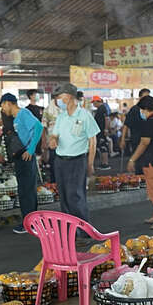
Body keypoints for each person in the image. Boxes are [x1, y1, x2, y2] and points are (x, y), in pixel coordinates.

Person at [49, 82, 97, 224]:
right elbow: (55, 135)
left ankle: (83, 232)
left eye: (60, 96)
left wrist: (90, 163)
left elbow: (92, 141)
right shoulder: (61, 116)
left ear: (68, 96)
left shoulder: (85, 115)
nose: (58, 100)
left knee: (75, 196)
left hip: (77, 161)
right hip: (60, 161)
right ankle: (70, 230)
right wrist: (53, 140)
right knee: (64, 196)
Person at [0, 93, 42, 235]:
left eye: (2, 105)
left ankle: (30, 224)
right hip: (21, 157)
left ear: (8, 103)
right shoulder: (15, 118)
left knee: (27, 191)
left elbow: (39, 127)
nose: (2, 109)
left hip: (26, 157)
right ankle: (29, 222)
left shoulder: (23, 114)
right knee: (25, 190)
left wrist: (31, 149)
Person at [126, 96, 153, 228]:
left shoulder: (150, 122)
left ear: (145, 109)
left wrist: (132, 159)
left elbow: (144, 142)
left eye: (141, 110)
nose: (141, 113)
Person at [120, 88, 150, 170]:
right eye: (145, 97)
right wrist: (122, 139)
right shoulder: (134, 109)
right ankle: (140, 181)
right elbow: (126, 125)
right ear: (140, 98)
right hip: (137, 141)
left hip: (149, 142)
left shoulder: (151, 110)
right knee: (139, 164)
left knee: (148, 165)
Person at [91, 96, 111, 171]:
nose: (93, 104)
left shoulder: (102, 108)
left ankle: (105, 164)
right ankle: (103, 163)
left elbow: (107, 119)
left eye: (94, 102)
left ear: (97, 101)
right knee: (102, 146)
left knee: (103, 146)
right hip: (100, 131)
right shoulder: (101, 108)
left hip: (102, 131)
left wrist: (106, 129)